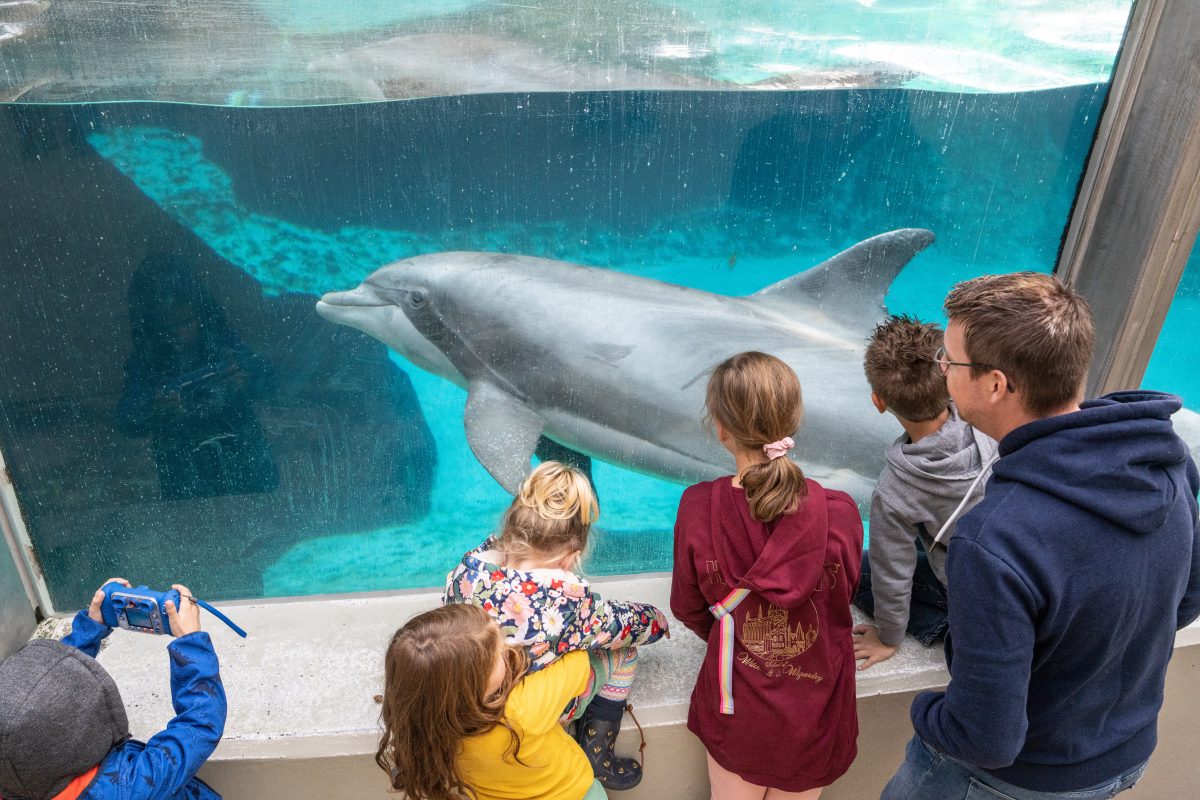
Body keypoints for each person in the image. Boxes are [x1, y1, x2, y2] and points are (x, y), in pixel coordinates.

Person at [882, 272, 1200, 800]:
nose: (940, 369)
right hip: (1124, 753)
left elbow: (986, 739)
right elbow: (1185, 600)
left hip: (1015, 781)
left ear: (995, 385)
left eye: (949, 360)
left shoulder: (994, 538)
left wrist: (924, 711)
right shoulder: (1165, 461)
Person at [671, 351, 863, 799]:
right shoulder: (840, 513)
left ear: (721, 429)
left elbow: (688, 607)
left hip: (737, 712)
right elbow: (841, 598)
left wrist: (739, 638)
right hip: (816, 717)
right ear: (793, 422)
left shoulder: (698, 507)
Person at [444, 460, 669, 791]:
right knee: (624, 654)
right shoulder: (566, 604)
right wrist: (657, 621)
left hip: (473, 692)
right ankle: (597, 751)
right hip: (535, 708)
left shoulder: (466, 575)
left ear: (510, 532)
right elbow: (622, 626)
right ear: (571, 556)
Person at [852, 315, 996, 670]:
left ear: (878, 401)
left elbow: (892, 575)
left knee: (855, 571)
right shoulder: (989, 419)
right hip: (1008, 564)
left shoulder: (894, 491)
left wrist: (888, 637)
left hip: (967, 586)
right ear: (949, 375)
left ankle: (947, 626)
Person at [0, 577, 227, 800]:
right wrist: (191, 642)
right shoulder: (131, 787)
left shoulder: (16, 775)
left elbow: (44, 687)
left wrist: (90, 629)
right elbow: (199, 723)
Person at [376, 604, 610, 800]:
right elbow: (579, 660)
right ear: (476, 684)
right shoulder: (523, 709)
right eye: (499, 652)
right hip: (574, 792)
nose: (508, 647)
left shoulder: (428, 727)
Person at [116, 253, 277, 500]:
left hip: (245, 461)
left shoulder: (223, 345)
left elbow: (271, 380)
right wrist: (157, 410)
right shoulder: (146, 363)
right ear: (152, 326)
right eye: (166, 327)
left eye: (186, 322)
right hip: (185, 472)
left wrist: (246, 380)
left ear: (201, 314)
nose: (178, 334)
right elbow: (126, 418)